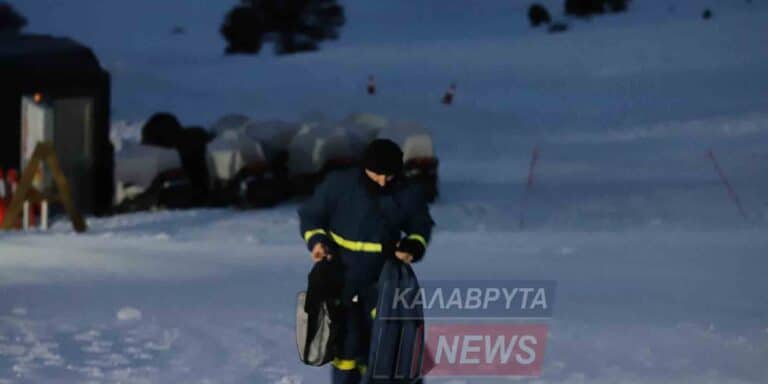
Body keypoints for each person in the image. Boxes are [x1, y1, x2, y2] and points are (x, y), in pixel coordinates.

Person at [298, 139, 434, 384]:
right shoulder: (339, 185)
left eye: (389, 175)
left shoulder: (406, 192)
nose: (383, 181)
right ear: (364, 168)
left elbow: (421, 224)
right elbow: (311, 215)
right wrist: (317, 241)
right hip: (342, 280)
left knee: (387, 345)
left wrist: (413, 245)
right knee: (345, 348)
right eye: (377, 174)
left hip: (383, 281)